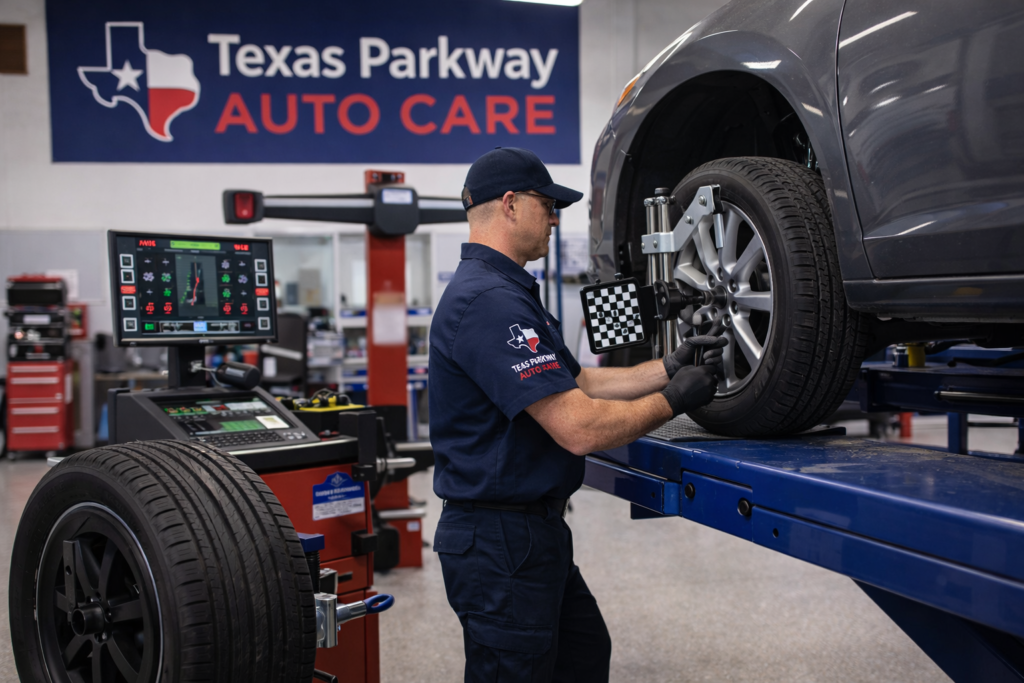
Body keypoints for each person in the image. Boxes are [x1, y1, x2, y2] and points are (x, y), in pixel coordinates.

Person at [429, 148, 726, 682]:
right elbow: (578, 427)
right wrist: (675, 400)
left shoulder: (507, 290)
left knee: (583, 653)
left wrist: (667, 368)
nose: (555, 218)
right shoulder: (487, 301)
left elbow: (579, 382)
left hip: (529, 533)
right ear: (512, 205)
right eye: (548, 205)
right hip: (498, 541)